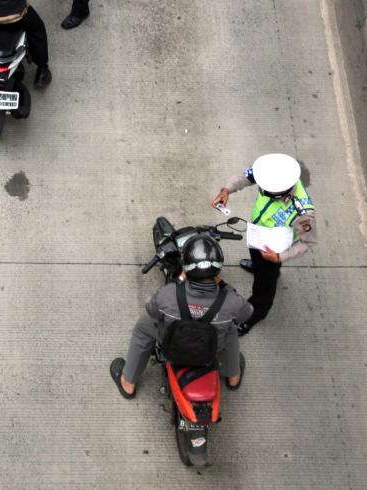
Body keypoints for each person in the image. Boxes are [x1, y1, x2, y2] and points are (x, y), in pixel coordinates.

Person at [109, 234, 252, 399]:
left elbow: (152, 312)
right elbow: (247, 314)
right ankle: (233, 378)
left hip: (173, 343)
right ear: (217, 269)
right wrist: (223, 285)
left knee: (144, 326)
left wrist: (179, 280)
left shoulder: (168, 294)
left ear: (186, 268)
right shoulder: (232, 300)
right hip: (211, 347)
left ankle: (128, 383)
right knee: (231, 331)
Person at [212, 153, 317, 336]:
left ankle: (256, 313)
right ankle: (257, 265)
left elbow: (308, 242)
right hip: (257, 235)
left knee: (264, 287)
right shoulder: (269, 172)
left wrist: (278, 257)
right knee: (257, 261)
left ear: (283, 190)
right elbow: (244, 177)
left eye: (268, 190)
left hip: (275, 249)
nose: (262, 189)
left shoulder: (303, 210)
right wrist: (226, 190)